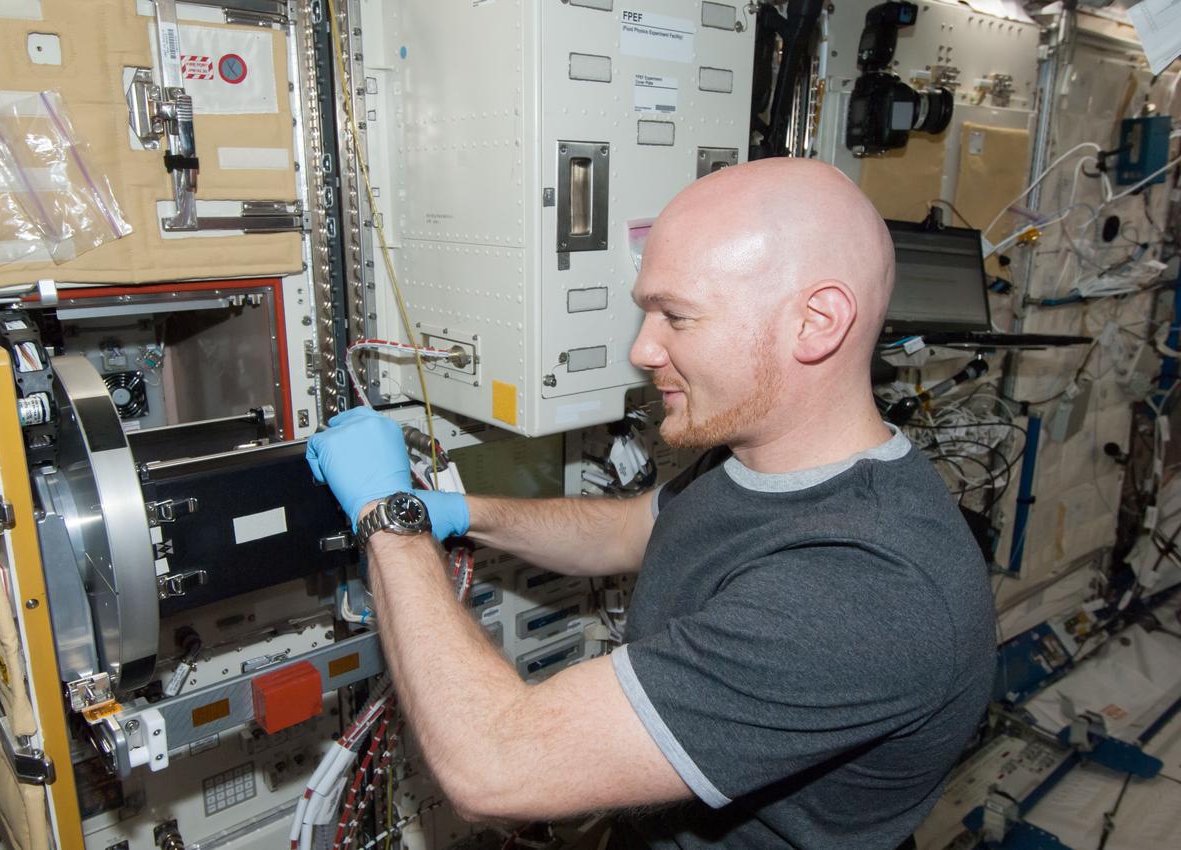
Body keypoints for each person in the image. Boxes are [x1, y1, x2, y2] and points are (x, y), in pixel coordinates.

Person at [306, 159, 996, 849]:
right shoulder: (758, 459)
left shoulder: (863, 588)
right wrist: (456, 512)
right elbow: (631, 531)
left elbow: (494, 767)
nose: (643, 348)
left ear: (816, 322)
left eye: (678, 316)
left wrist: (386, 517)